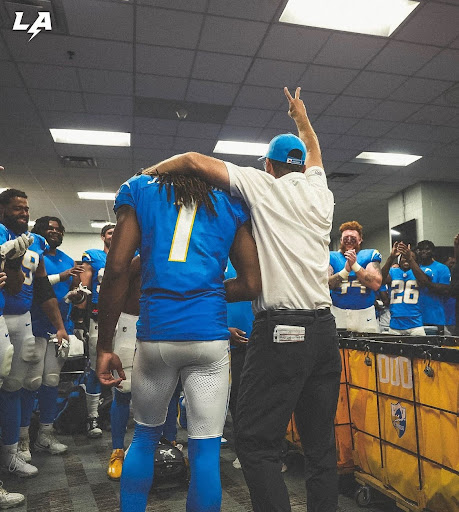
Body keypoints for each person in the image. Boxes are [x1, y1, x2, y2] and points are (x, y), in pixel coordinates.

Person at [140, 87, 340, 512]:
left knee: (254, 441)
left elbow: (193, 162)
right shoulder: (321, 193)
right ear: (301, 166)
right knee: (321, 445)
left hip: (283, 329)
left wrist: (146, 176)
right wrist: (301, 117)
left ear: (268, 165)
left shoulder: (263, 186)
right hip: (325, 332)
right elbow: (316, 152)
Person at [96, 173, 261, 511]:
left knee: (143, 439)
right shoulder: (230, 200)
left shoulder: (137, 189)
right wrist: (209, 293)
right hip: (209, 339)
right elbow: (251, 284)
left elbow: (116, 268)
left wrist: (104, 345)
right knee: (205, 452)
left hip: (157, 335)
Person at [0, 189, 68, 478]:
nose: (24, 214)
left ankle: (13, 451)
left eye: (26, 209)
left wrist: (61, 326)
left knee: (19, 384)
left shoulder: (34, 243)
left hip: (23, 317)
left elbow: (41, 289)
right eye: (17, 208)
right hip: (3, 316)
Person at [18, 216, 84, 457]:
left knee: (52, 382)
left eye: (58, 229)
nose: (54, 232)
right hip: (34, 324)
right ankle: (22, 438)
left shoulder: (67, 259)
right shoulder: (33, 255)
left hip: (60, 327)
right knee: (29, 383)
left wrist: (77, 297)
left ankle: (45, 435)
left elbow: (71, 296)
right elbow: (36, 286)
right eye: (49, 228)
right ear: (39, 231)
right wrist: (63, 276)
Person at [77, 223, 115, 438]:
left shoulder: (133, 255)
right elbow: (83, 289)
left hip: (126, 317)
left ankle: (113, 413)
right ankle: (93, 417)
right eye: (110, 232)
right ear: (103, 236)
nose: (114, 235)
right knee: (95, 366)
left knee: (125, 366)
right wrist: (79, 320)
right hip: (98, 316)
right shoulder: (93, 256)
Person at [328, 221, 382, 333]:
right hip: (338, 311)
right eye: (346, 237)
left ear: (360, 239)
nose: (348, 241)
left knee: (368, 348)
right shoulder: (332, 257)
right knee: (339, 348)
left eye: (353, 238)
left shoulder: (369, 255)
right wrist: (345, 271)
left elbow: (376, 284)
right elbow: (325, 284)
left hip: (365, 312)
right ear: (341, 240)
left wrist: (355, 266)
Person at [381, 242, 430, 335]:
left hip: (415, 324)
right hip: (395, 324)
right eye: (404, 257)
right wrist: (391, 257)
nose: (406, 259)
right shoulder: (393, 271)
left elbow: (424, 282)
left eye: (409, 257)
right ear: (399, 260)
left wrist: (410, 258)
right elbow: (381, 279)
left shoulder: (420, 272)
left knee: (420, 349)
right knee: (392, 349)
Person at [415, 240, 451, 334]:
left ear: (433, 251)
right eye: (421, 249)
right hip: (415, 318)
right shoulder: (414, 268)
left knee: (435, 347)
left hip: (435, 317)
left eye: (427, 249)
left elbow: (445, 289)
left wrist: (426, 282)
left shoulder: (442, 268)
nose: (424, 252)